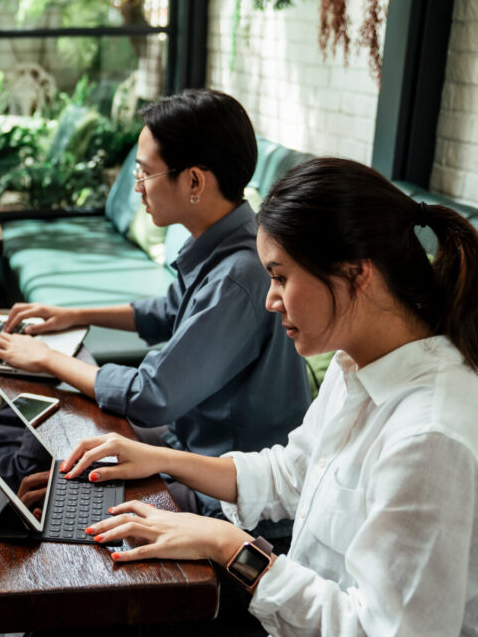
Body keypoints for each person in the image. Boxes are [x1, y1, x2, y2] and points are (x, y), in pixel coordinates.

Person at [64, 157, 478, 635]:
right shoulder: (355, 366)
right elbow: (289, 473)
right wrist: (158, 458)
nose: (269, 299)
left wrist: (227, 545)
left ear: (356, 273)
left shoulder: (429, 435)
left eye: (280, 277)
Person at [0, 89, 310, 530]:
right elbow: (169, 310)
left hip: (224, 492)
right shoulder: (227, 241)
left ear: (194, 181)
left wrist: (48, 358)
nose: (138, 187)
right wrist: (76, 315)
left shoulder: (239, 275)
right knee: (44, 449)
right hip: (189, 443)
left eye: (145, 174)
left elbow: (151, 397)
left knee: (50, 491)